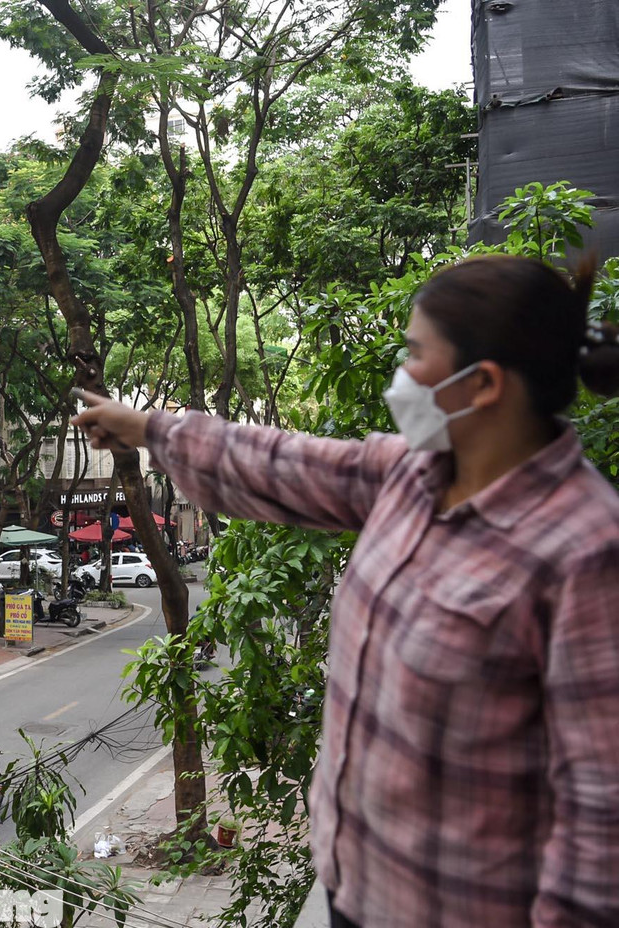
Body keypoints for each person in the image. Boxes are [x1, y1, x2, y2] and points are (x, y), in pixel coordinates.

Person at [72, 254, 619, 928]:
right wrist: (147, 428)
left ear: (482, 384)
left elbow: (601, 819)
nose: (402, 376)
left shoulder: (585, 553)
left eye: (416, 354)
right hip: (358, 888)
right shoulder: (416, 475)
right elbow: (283, 462)